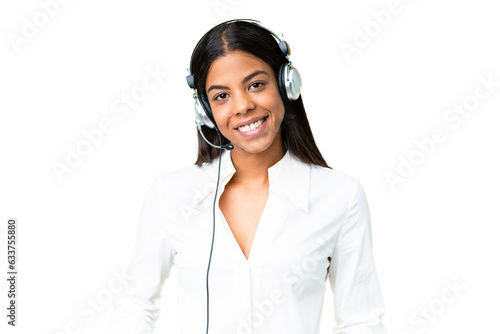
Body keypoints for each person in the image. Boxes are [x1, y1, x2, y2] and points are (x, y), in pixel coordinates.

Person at [104, 19, 387, 334]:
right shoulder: (171, 194)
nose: (243, 106)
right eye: (222, 96)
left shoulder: (340, 196)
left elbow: (360, 320)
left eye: (255, 84)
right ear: (205, 110)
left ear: (286, 84)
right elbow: (135, 304)